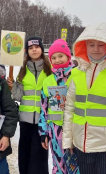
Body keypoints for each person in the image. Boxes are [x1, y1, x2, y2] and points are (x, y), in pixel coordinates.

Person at [62, 23, 106, 174]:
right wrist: (68, 140)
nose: (96, 49)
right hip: (81, 145)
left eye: (101, 45)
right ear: (85, 45)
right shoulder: (77, 73)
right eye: (91, 44)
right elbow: (70, 109)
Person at [6, 36, 51, 174]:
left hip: (43, 121)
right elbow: (18, 96)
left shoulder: (50, 71)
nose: (34, 50)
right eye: (31, 48)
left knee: (40, 157)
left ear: (42, 50)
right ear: (27, 51)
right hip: (25, 121)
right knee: (25, 155)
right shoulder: (23, 71)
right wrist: (13, 87)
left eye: (37, 47)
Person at [38, 39, 77, 174]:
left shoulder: (77, 76)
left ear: (68, 56)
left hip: (75, 129)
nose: (57, 60)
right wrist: (43, 132)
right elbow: (43, 108)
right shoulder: (48, 80)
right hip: (55, 130)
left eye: (61, 56)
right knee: (59, 165)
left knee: (74, 166)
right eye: (53, 57)